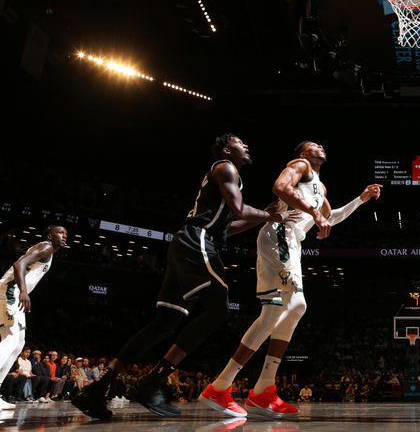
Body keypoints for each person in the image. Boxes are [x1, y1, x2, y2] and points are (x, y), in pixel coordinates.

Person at [72, 134, 297, 419]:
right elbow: (239, 210)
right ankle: (153, 382)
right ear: (228, 149)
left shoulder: (225, 178)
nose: (247, 145)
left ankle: (97, 389)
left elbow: (228, 228)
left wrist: (263, 215)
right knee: (218, 310)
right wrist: (270, 217)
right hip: (197, 240)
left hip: (189, 241)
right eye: (241, 142)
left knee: (164, 323)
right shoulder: (226, 167)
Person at [199, 141, 381, 419]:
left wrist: (360, 200)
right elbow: (280, 187)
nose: (321, 146)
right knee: (296, 304)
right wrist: (316, 213)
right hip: (280, 238)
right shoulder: (300, 166)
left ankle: (232, 387)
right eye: (314, 145)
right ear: (302, 153)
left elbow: (333, 218)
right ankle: (255, 388)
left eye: (321, 145)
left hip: (282, 243)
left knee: (274, 313)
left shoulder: (321, 187)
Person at [0, 225, 68, 411]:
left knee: (18, 344)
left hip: (16, 294)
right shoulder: (45, 246)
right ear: (49, 235)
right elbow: (18, 265)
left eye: (66, 234)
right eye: (60, 233)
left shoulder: (49, 251)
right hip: (10, 291)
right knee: (10, 340)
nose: (64, 236)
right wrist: (23, 291)